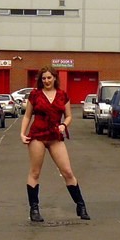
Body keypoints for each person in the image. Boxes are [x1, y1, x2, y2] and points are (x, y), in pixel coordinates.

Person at [20, 67, 89, 222]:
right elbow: (27, 116)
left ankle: (81, 205)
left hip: (55, 136)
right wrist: (22, 133)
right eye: (44, 78)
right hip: (37, 135)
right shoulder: (35, 95)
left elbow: (69, 116)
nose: (46, 81)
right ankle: (34, 209)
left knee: (67, 171)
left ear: (55, 78)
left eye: (49, 78)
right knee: (35, 172)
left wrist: (64, 125)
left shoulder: (62, 95)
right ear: (40, 80)